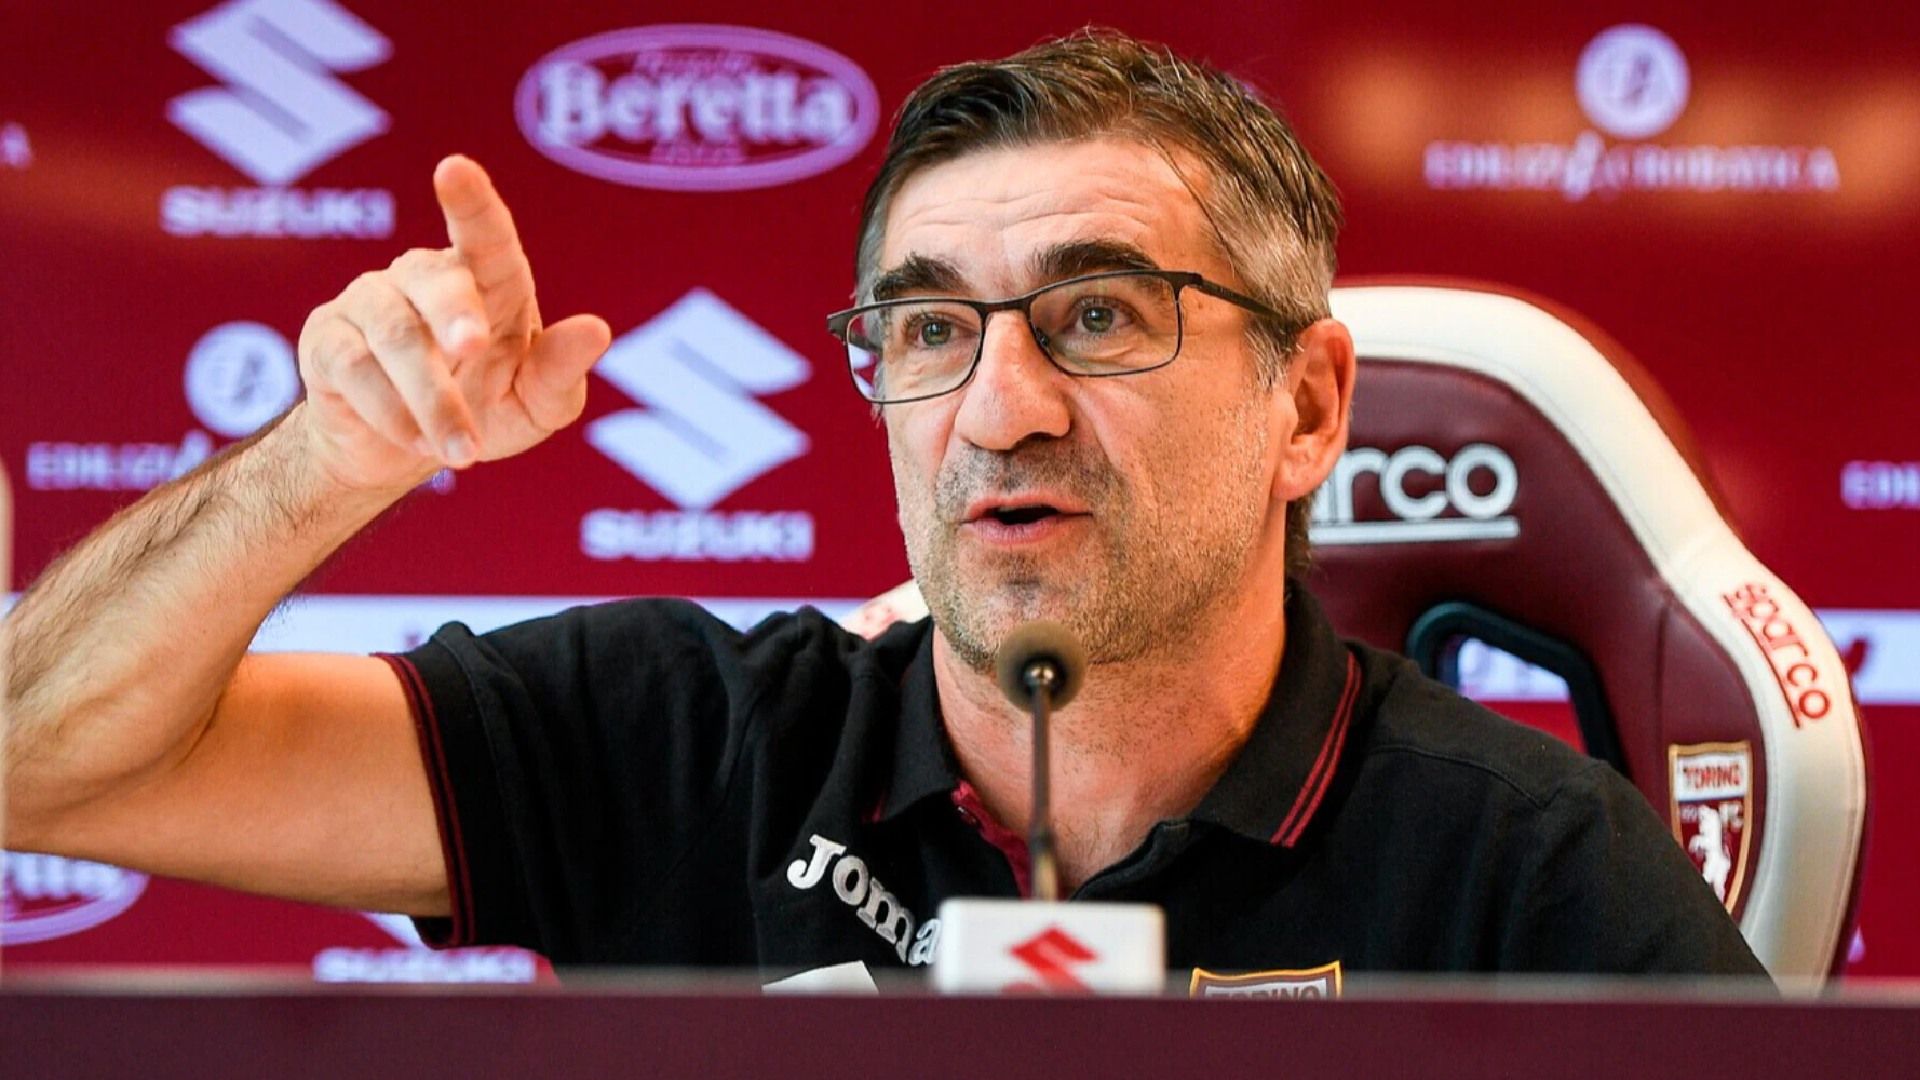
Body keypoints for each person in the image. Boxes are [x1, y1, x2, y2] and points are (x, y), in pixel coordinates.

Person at [1, 31, 1764, 981]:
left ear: (1304, 407)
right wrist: (328, 460)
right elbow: (42, 764)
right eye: (928, 331)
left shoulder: (1531, 874)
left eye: (1099, 315)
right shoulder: (689, 745)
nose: (1000, 408)